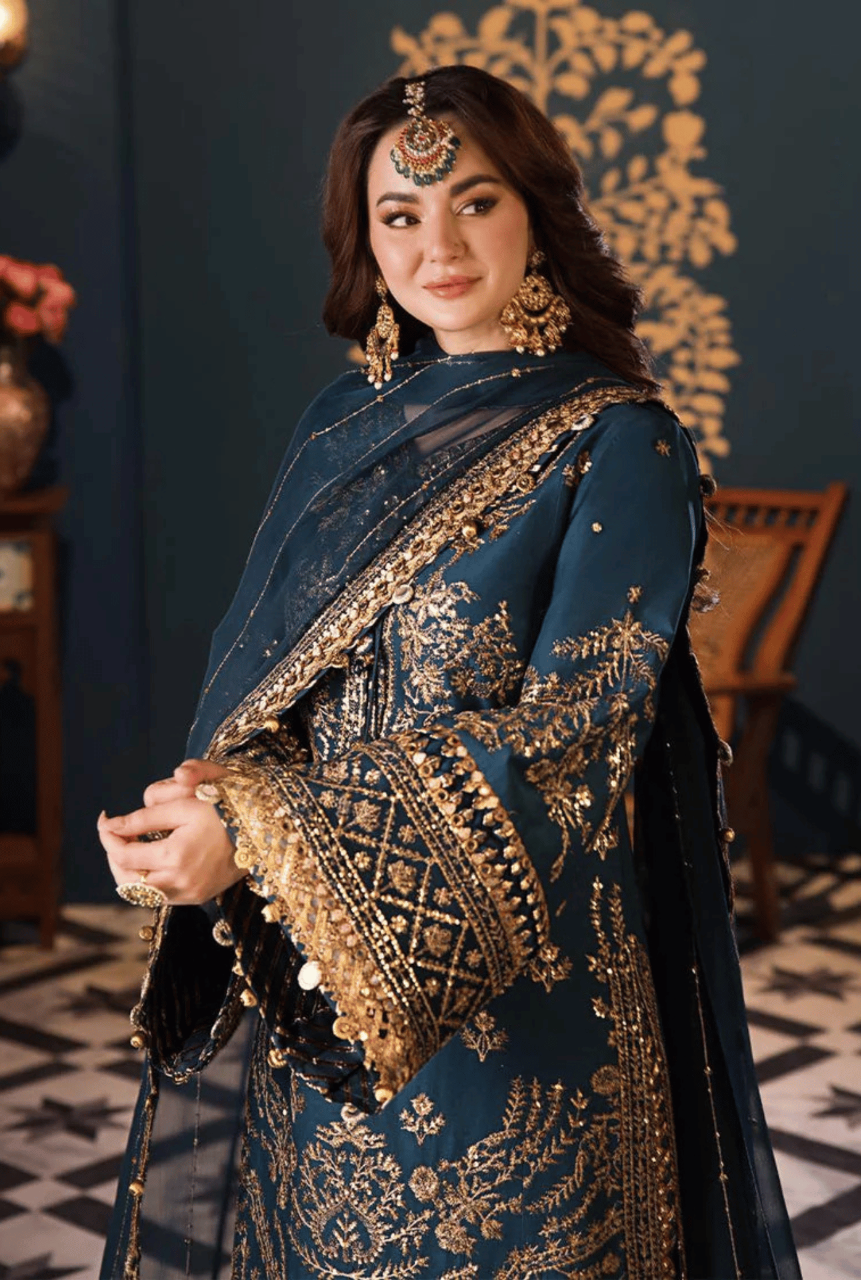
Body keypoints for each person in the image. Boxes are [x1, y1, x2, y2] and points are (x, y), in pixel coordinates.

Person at [99, 65, 800, 1280]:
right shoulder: (341, 428)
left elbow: (569, 749)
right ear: (364, 245)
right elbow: (280, 698)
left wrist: (257, 839)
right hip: (321, 1010)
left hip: (529, 1030)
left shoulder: (619, 441)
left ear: (534, 209)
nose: (440, 245)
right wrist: (201, 814)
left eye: (473, 201)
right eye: (399, 214)